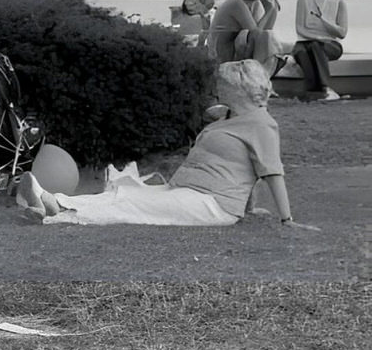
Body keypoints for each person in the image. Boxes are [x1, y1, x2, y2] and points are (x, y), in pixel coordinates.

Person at [17, 60, 318, 230]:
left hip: (212, 204)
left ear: (239, 90)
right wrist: (250, 207)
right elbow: (244, 166)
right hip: (189, 191)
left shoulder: (261, 125)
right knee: (129, 194)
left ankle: (58, 208)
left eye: (221, 87)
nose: (215, 91)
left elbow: (271, 172)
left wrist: (287, 219)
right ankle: (51, 203)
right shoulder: (231, 116)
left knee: (136, 206)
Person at [208, 0, 286, 78]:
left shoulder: (253, 3)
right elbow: (256, 33)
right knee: (261, 36)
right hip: (223, 49)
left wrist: (273, 9)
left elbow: (265, 30)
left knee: (267, 35)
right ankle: (258, 75)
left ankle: (261, 74)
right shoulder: (237, 3)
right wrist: (269, 10)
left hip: (237, 44)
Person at [291, 0, 347, 101]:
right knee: (302, 51)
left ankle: (325, 87)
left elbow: (342, 32)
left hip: (331, 44)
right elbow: (300, 29)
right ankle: (312, 91)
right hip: (306, 42)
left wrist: (324, 21)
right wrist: (317, 37)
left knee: (315, 47)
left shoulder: (339, 0)